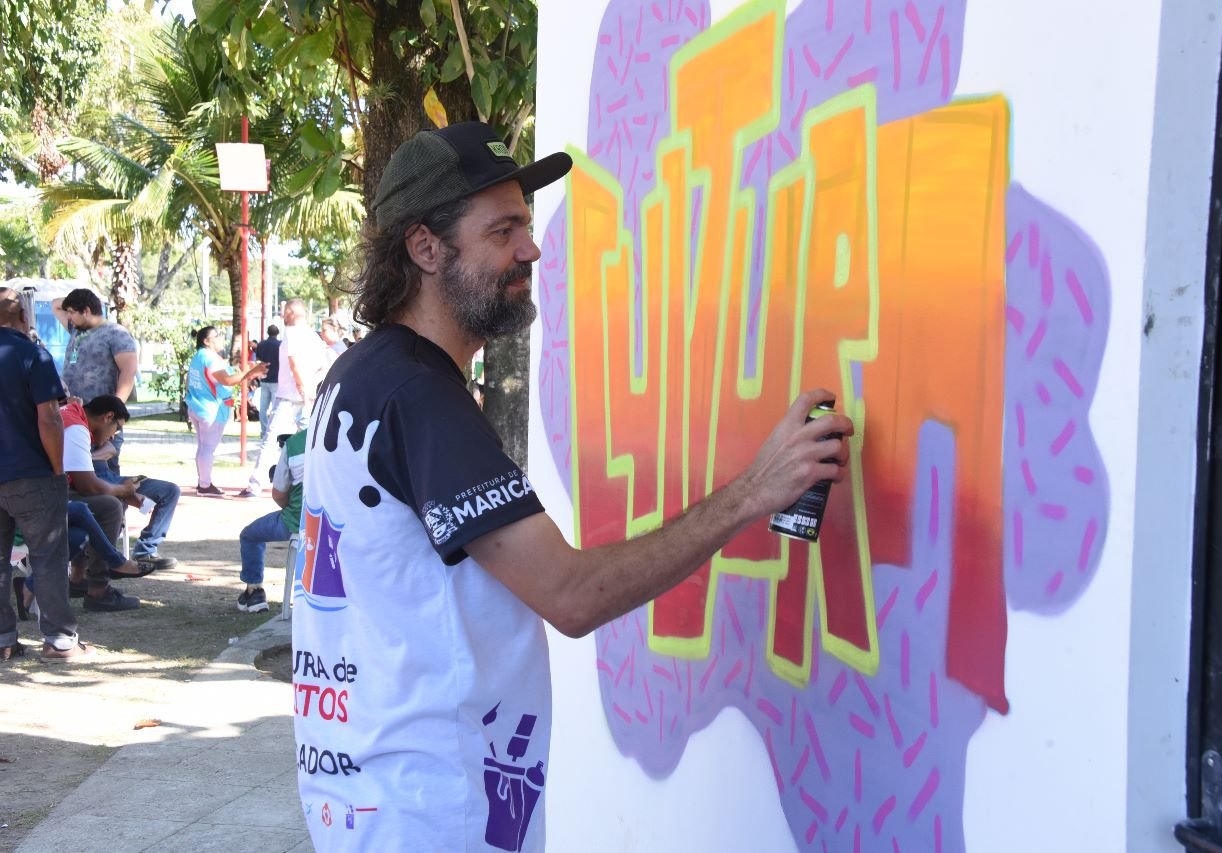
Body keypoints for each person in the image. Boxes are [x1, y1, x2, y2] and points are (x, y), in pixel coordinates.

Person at [291, 122, 853, 851]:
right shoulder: (419, 396)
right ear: (425, 248)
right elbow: (571, 594)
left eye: (525, 224)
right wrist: (754, 491)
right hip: (432, 815)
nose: (531, 248)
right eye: (503, 230)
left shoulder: (362, 373)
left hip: (371, 800)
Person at [0, 287, 92, 661]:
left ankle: (4, 640)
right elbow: (49, 417)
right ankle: (59, 640)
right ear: (24, 317)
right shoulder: (31, 354)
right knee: (49, 556)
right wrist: (57, 469)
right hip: (32, 474)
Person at [62, 395, 162, 612]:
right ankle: (99, 587)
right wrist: (122, 491)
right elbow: (88, 485)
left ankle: (85, 577)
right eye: (116, 428)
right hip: (40, 498)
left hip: (43, 493)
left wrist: (120, 491)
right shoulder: (77, 428)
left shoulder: (73, 418)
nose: (113, 435)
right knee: (109, 506)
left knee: (103, 504)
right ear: (108, 417)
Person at [241, 299, 325, 498]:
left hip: (290, 396)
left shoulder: (294, 333)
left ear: (292, 313)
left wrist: (301, 385)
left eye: (284, 312)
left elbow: (293, 362)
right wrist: (309, 389)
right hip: (307, 397)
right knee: (310, 441)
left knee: (270, 440)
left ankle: (255, 484)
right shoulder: (313, 336)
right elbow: (322, 366)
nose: (282, 316)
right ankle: (312, 485)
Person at [53, 288, 138, 479]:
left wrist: (114, 413)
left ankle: (117, 507)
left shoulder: (116, 333)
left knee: (106, 476)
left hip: (101, 420)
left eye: (72, 312)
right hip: (75, 418)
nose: (68, 317)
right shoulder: (76, 329)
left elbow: (128, 373)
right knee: (79, 479)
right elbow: (55, 304)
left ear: (86, 311)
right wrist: (75, 301)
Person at [184, 325, 268, 496]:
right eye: (217, 335)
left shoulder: (198, 357)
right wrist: (251, 372)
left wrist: (246, 371)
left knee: (203, 447)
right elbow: (228, 380)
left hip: (198, 407)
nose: (221, 338)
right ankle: (205, 485)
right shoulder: (210, 359)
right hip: (211, 410)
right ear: (207, 341)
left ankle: (203, 483)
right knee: (207, 448)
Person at [235, 429, 306, 613]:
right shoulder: (351, 435)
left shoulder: (295, 443)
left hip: (300, 520)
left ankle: (254, 590)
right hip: (343, 520)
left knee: (249, 535)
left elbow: (279, 494)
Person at [254, 324, 283, 439]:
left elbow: (258, 360)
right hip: (276, 379)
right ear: (277, 333)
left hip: (264, 378)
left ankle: (263, 431)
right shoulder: (280, 345)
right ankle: (273, 432)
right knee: (275, 408)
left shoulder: (261, 345)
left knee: (263, 407)